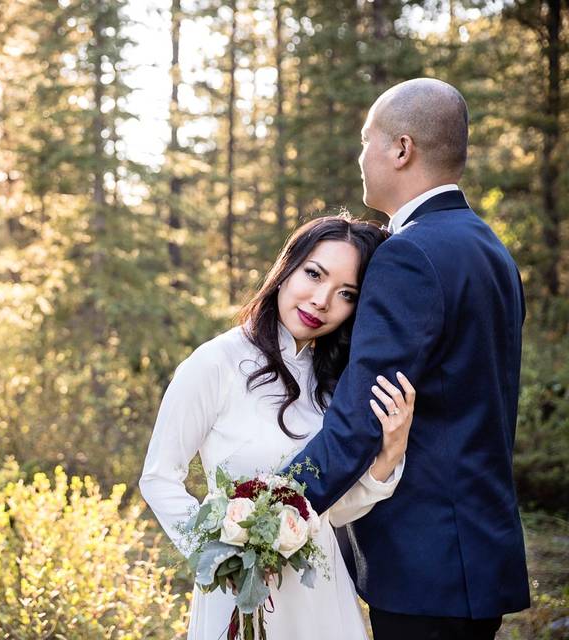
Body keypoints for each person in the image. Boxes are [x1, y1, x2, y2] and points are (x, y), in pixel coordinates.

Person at [285, 78, 530, 640]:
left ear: (401, 149)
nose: (360, 156)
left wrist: (269, 506)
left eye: (366, 140)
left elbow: (361, 415)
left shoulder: (409, 255)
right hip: (477, 553)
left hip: (426, 563)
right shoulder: (493, 252)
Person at [139, 214, 416, 640]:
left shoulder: (335, 383)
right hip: (238, 594)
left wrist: (389, 455)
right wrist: (219, 554)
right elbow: (159, 478)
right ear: (286, 268)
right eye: (313, 274)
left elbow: (333, 511)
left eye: (346, 294)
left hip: (319, 594)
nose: (322, 300)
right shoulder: (216, 362)